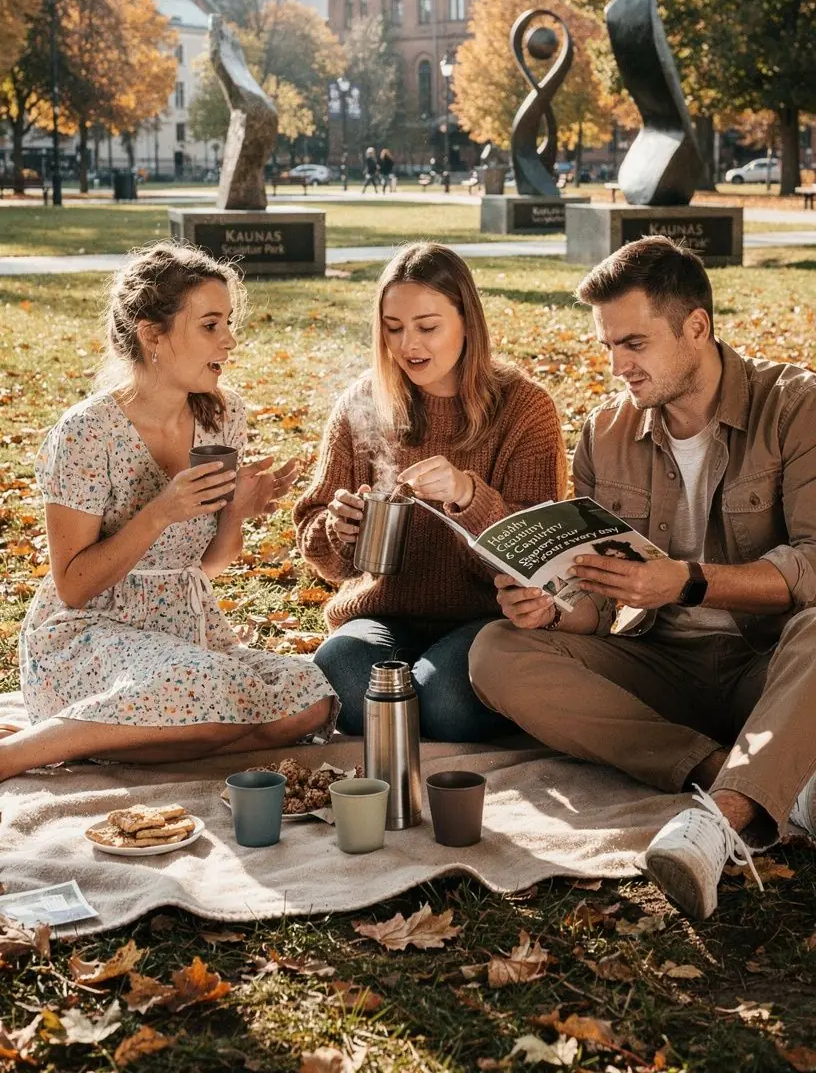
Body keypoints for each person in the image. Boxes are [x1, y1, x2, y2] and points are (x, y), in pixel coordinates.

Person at [470, 235, 816, 920]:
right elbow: (599, 608)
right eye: (607, 347)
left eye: (633, 343)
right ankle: (739, 772)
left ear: (697, 328)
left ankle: (717, 823)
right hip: (662, 668)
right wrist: (552, 606)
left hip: (770, 665)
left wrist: (688, 581)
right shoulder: (604, 433)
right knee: (495, 652)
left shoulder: (796, 406)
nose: (618, 365)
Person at [2, 242, 336, 781]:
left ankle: (88, 738)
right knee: (205, 687)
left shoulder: (222, 416)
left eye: (227, 322)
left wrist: (237, 511)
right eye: (210, 325)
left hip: (188, 628)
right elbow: (73, 586)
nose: (229, 340)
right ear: (151, 334)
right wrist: (159, 512)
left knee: (310, 698)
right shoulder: (87, 432)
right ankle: (16, 755)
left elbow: (206, 566)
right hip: (89, 635)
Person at [293, 241, 567, 740]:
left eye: (427, 326)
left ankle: (416, 708)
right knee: (342, 675)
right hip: (380, 614)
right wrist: (337, 531)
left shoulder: (524, 409)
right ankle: (408, 709)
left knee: (444, 702)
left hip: (485, 623)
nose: (407, 345)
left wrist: (469, 496)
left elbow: (540, 560)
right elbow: (323, 553)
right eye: (392, 328)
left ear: (467, 321)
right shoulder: (362, 401)